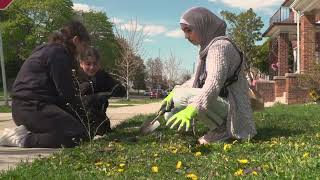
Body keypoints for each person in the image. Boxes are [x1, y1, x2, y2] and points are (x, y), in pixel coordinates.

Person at [162, 7, 257, 144]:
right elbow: (196, 80)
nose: (186, 36)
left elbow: (213, 83)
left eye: (189, 30)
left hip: (235, 109)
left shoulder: (220, 47)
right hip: (224, 102)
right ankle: (217, 126)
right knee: (170, 112)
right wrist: (175, 90)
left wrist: (192, 109)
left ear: (202, 26)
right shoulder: (206, 48)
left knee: (181, 97)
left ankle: (224, 130)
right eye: (184, 31)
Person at [0, 21, 90, 148]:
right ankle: (21, 139)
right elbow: (67, 94)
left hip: (25, 108)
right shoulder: (59, 54)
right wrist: (84, 117)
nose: (84, 50)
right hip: (32, 107)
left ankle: (29, 133)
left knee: (76, 130)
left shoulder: (49, 49)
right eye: (84, 45)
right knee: (77, 135)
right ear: (76, 40)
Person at [78, 47, 126, 136]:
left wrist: (119, 89)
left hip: (100, 120)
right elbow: (74, 101)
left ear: (99, 64)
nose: (92, 67)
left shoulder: (103, 76)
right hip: (80, 122)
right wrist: (96, 97)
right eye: (88, 64)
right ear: (81, 63)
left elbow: (121, 90)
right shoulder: (75, 77)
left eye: (95, 64)